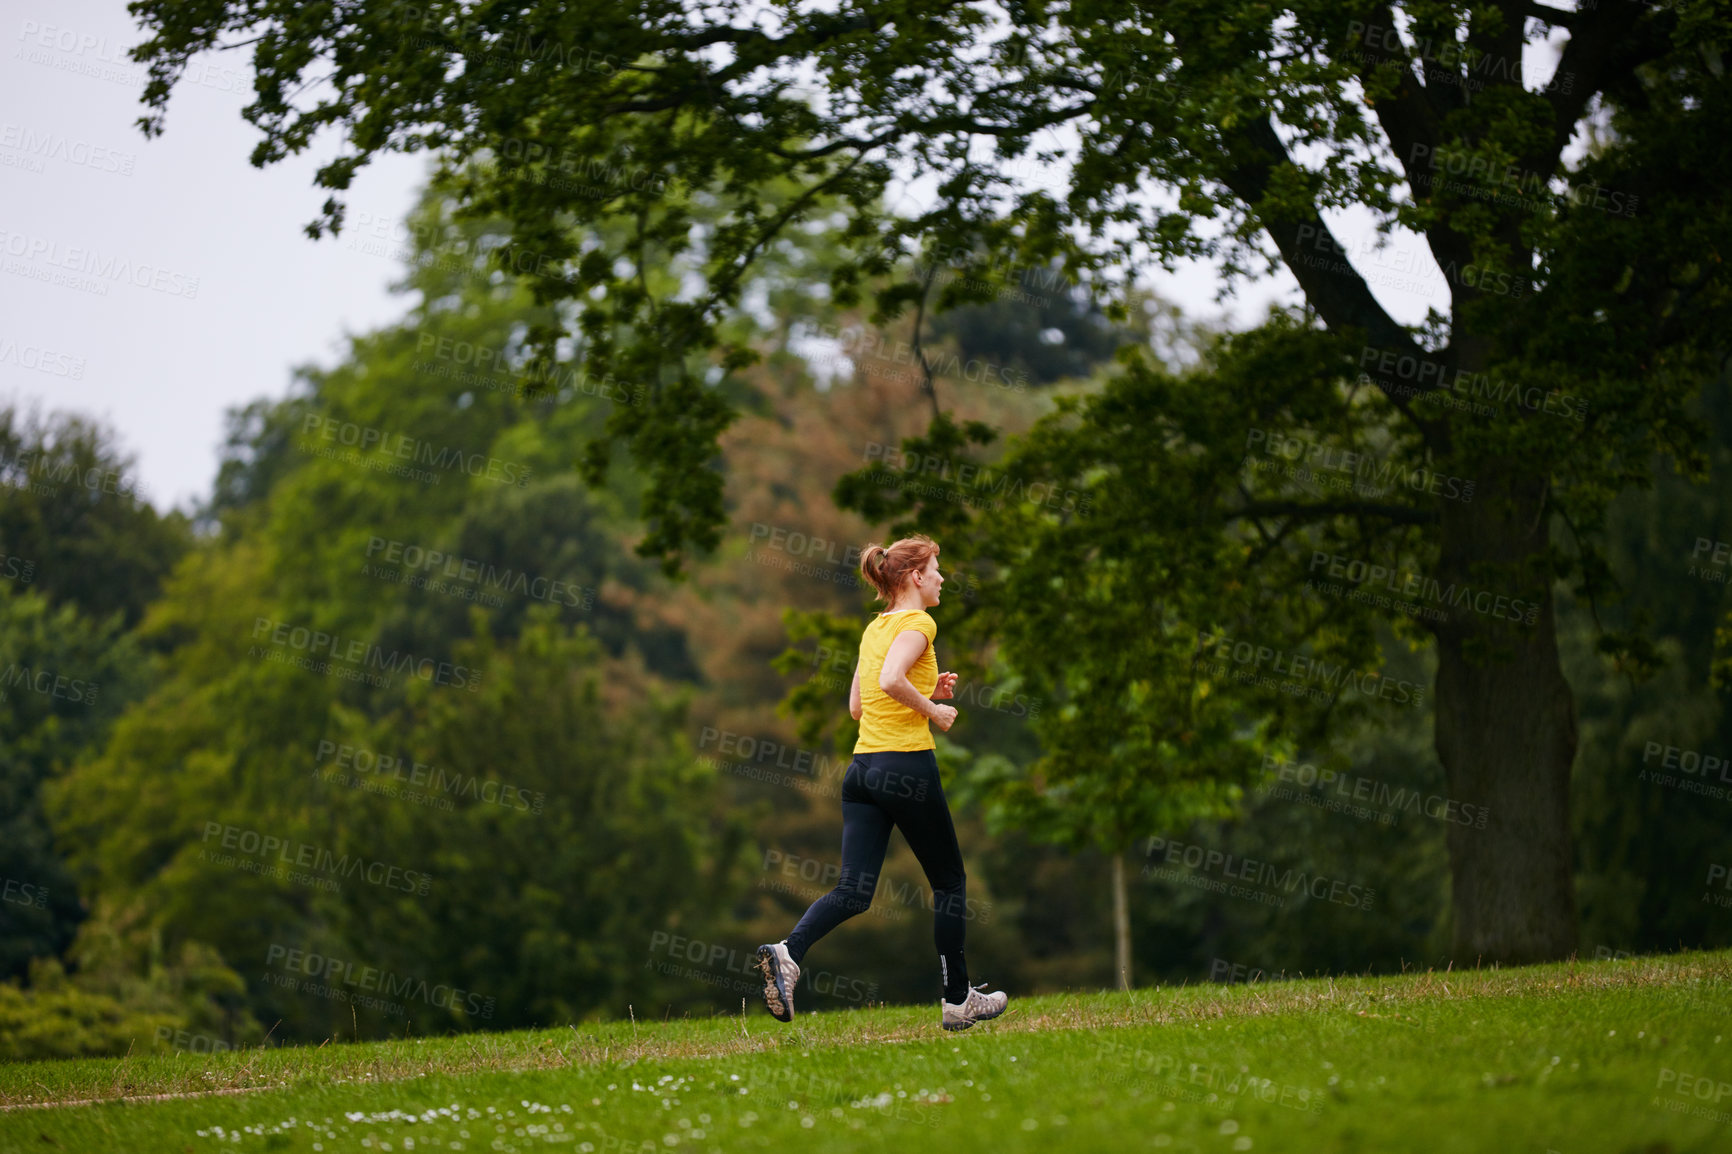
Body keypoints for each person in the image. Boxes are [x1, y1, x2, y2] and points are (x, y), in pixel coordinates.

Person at [755, 533, 1009, 1031]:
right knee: (951, 883)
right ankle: (958, 1001)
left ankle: (788, 953)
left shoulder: (875, 628)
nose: (941, 577)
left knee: (854, 889)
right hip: (906, 766)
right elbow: (892, 681)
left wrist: (924, 687)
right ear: (915, 576)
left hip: (862, 771)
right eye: (936, 568)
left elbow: (859, 705)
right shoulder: (920, 621)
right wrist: (933, 708)